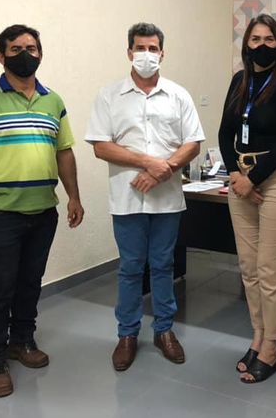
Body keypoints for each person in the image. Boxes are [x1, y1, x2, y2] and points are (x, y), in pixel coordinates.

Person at [0, 24, 84, 398]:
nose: (25, 54)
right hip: (0, 214)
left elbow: (64, 152)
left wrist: (74, 197)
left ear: (41, 53)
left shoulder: (53, 101)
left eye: (31, 48)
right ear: (1, 56)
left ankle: (22, 340)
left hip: (43, 211)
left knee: (30, 281)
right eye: (15, 49)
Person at [85, 22, 204, 372]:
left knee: (164, 265)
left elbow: (193, 143)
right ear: (129, 52)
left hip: (167, 199)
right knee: (131, 267)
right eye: (140, 48)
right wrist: (147, 162)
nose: (146, 55)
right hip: (126, 198)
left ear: (162, 54)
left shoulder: (178, 95)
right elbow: (101, 146)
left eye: (153, 49)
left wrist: (162, 169)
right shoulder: (109, 96)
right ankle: (127, 334)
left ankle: (164, 330)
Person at [217, 13, 276, 383]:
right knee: (249, 267)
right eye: (256, 39)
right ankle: (258, 336)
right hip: (241, 178)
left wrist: (252, 179)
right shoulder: (239, 81)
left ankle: (273, 345)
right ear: (246, 45)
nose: (262, 45)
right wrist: (236, 175)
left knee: (270, 269)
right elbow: (224, 133)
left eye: (270, 39)